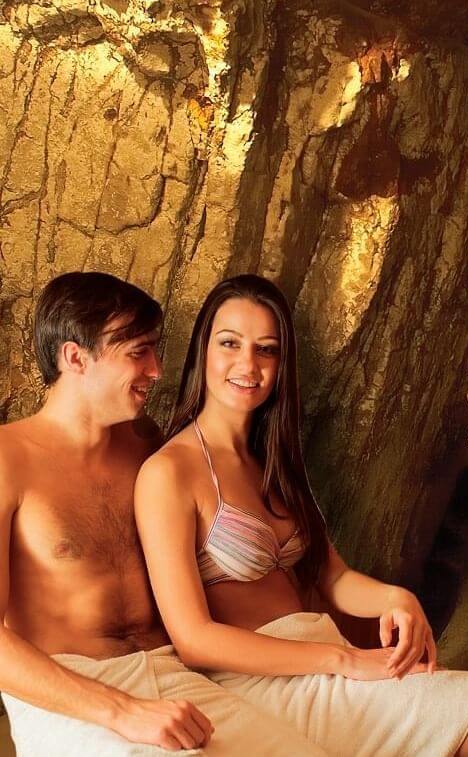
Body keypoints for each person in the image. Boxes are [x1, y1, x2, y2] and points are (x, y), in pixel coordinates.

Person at [135, 274, 468, 756]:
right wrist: (343, 659)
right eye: (230, 344)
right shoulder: (169, 472)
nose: (248, 365)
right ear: (203, 349)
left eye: (267, 350)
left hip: (322, 660)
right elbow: (194, 639)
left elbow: (333, 575)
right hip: (263, 684)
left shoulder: (272, 461)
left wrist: (398, 598)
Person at [0, 271, 326, 755]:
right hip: (74, 693)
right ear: (74, 357)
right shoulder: (7, 459)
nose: (155, 370)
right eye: (138, 353)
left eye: (155, 350)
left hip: (174, 676)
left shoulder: (149, 446)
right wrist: (122, 711)